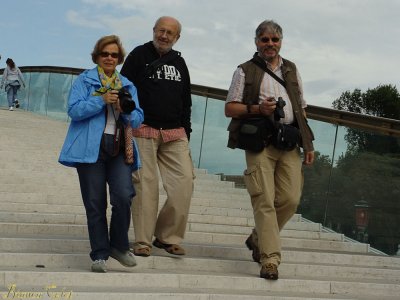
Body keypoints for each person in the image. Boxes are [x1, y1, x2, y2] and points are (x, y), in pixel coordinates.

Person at [225, 20, 315, 280]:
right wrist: (258, 109)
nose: (270, 44)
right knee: (264, 199)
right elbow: (230, 108)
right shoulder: (245, 70)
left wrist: (307, 143)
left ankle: (257, 238)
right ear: (256, 42)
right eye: (265, 39)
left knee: (290, 199)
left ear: (281, 42)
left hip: (288, 142)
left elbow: (301, 110)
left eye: (274, 40)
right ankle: (270, 260)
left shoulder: (291, 69)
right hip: (260, 142)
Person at [58, 35, 144, 273]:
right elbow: (74, 110)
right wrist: (101, 99)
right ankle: (99, 254)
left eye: (114, 55)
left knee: (124, 195)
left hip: (117, 148)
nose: (109, 58)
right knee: (95, 203)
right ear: (97, 56)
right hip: (90, 149)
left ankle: (118, 246)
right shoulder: (84, 80)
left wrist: (123, 110)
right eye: (105, 53)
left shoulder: (127, 84)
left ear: (119, 59)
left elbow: (138, 118)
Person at [120, 16, 193, 257]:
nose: (164, 36)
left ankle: (166, 236)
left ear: (177, 37)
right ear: (154, 31)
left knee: (184, 184)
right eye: (161, 30)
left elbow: (186, 100)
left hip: (175, 132)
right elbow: (124, 90)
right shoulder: (138, 55)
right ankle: (143, 241)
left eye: (169, 33)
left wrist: (187, 132)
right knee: (145, 187)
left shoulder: (180, 63)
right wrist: (128, 123)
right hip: (144, 129)